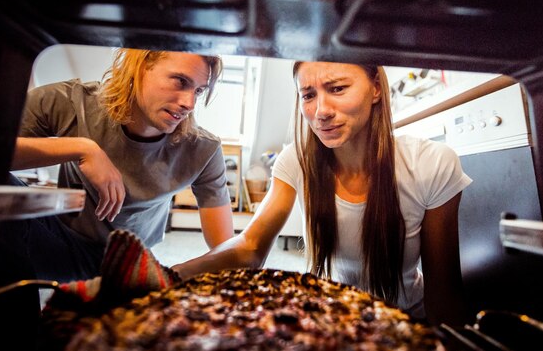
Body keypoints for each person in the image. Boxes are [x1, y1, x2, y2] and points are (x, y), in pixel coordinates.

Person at [172, 61, 472, 327]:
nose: (321, 112)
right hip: (331, 320)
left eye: (338, 88)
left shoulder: (431, 163)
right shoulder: (296, 160)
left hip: (406, 321)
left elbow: (443, 293)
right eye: (308, 95)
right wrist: (171, 274)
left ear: (376, 89)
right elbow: (250, 246)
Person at [6, 48, 235, 283]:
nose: (189, 103)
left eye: (199, 90)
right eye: (180, 81)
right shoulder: (74, 104)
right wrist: (82, 148)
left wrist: (171, 277)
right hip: (62, 242)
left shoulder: (203, 149)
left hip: (130, 261)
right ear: (140, 66)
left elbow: (227, 249)